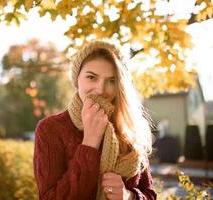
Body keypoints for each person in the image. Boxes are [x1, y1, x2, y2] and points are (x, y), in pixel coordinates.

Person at [33, 40, 157, 200]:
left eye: (111, 81)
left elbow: (150, 194)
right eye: (91, 77)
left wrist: (129, 196)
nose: (101, 89)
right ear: (77, 79)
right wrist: (90, 142)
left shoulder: (130, 129)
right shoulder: (51, 129)